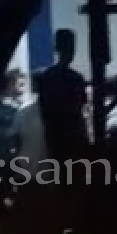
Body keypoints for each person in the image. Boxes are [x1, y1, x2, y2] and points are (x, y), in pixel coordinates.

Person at [36, 29, 88, 162]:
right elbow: (82, 104)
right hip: (73, 137)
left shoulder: (46, 77)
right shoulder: (76, 78)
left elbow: (43, 109)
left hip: (55, 138)